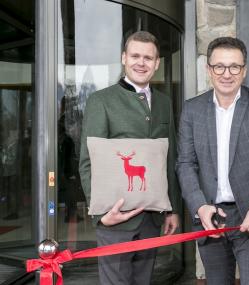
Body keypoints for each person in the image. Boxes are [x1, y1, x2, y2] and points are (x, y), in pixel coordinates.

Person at [176, 36, 249, 285]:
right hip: (210, 216)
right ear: (209, 70)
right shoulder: (191, 109)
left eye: (234, 66)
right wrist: (199, 206)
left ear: (244, 70)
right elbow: (185, 163)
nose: (227, 74)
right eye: (219, 66)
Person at [79, 31, 180, 285]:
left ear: (157, 63)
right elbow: (88, 161)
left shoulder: (164, 103)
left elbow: (169, 159)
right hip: (115, 218)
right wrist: (100, 214)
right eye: (135, 55)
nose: (141, 62)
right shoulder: (100, 101)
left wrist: (172, 209)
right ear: (124, 58)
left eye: (148, 57)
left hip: (152, 217)